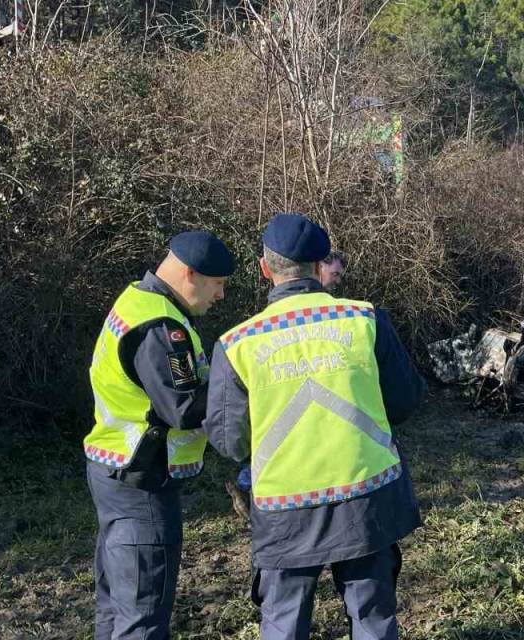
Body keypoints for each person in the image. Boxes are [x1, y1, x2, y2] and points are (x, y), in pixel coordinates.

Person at [205, 213, 424, 640]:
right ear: (320, 264)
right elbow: (405, 401)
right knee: (373, 620)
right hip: (366, 501)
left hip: (283, 511)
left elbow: (230, 441)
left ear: (265, 269)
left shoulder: (236, 344)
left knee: (284, 623)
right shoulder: (365, 320)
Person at [82, 230, 235, 639]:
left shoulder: (137, 300)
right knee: (142, 612)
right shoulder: (162, 327)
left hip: (115, 471)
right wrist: (235, 383)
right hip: (143, 483)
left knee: (116, 605)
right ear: (189, 273)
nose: (220, 295)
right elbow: (183, 407)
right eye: (217, 284)